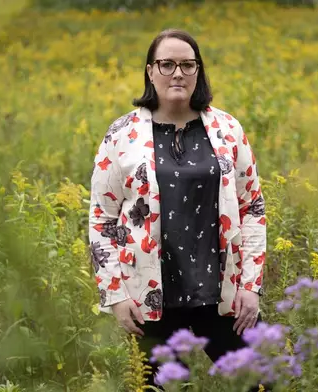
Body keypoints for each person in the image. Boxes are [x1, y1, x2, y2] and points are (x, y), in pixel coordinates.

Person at [88, 28, 267, 389]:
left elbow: (252, 207)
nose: (177, 73)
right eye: (166, 64)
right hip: (149, 298)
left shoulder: (228, 128)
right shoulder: (121, 134)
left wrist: (251, 285)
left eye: (187, 64)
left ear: (198, 71)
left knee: (263, 382)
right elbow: (102, 220)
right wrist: (117, 296)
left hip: (224, 294)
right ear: (150, 71)